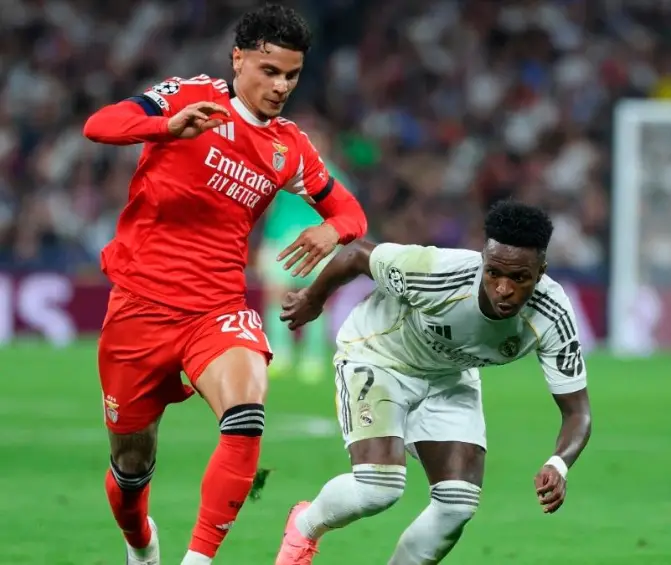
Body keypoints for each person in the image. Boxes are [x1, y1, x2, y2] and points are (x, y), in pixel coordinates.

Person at [82, 5, 367, 565]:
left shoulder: (289, 147)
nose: (281, 86)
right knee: (131, 469)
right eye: (270, 70)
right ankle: (141, 544)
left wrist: (332, 230)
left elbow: (350, 211)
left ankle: (199, 560)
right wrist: (165, 127)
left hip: (216, 310)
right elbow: (100, 125)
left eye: (291, 75)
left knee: (246, 416)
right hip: (139, 307)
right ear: (239, 59)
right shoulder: (188, 97)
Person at [274, 200, 592, 565]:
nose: (503, 288)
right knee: (379, 488)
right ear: (483, 260)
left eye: (519, 278)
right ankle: (304, 526)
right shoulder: (438, 273)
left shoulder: (552, 314)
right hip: (380, 354)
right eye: (493, 273)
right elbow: (357, 255)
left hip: (449, 376)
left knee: (457, 505)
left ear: (540, 272)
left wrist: (559, 463)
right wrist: (313, 299)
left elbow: (577, 412)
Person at [257, 126, 357, 384]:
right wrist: (266, 241)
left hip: (318, 242)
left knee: (315, 297)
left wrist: (334, 241)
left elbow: (344, 213)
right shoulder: (282, 169)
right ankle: (279, 352)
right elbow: (268, 207)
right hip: (282, 239)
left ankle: (313, 356)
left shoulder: (333, 175)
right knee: (276, 295)